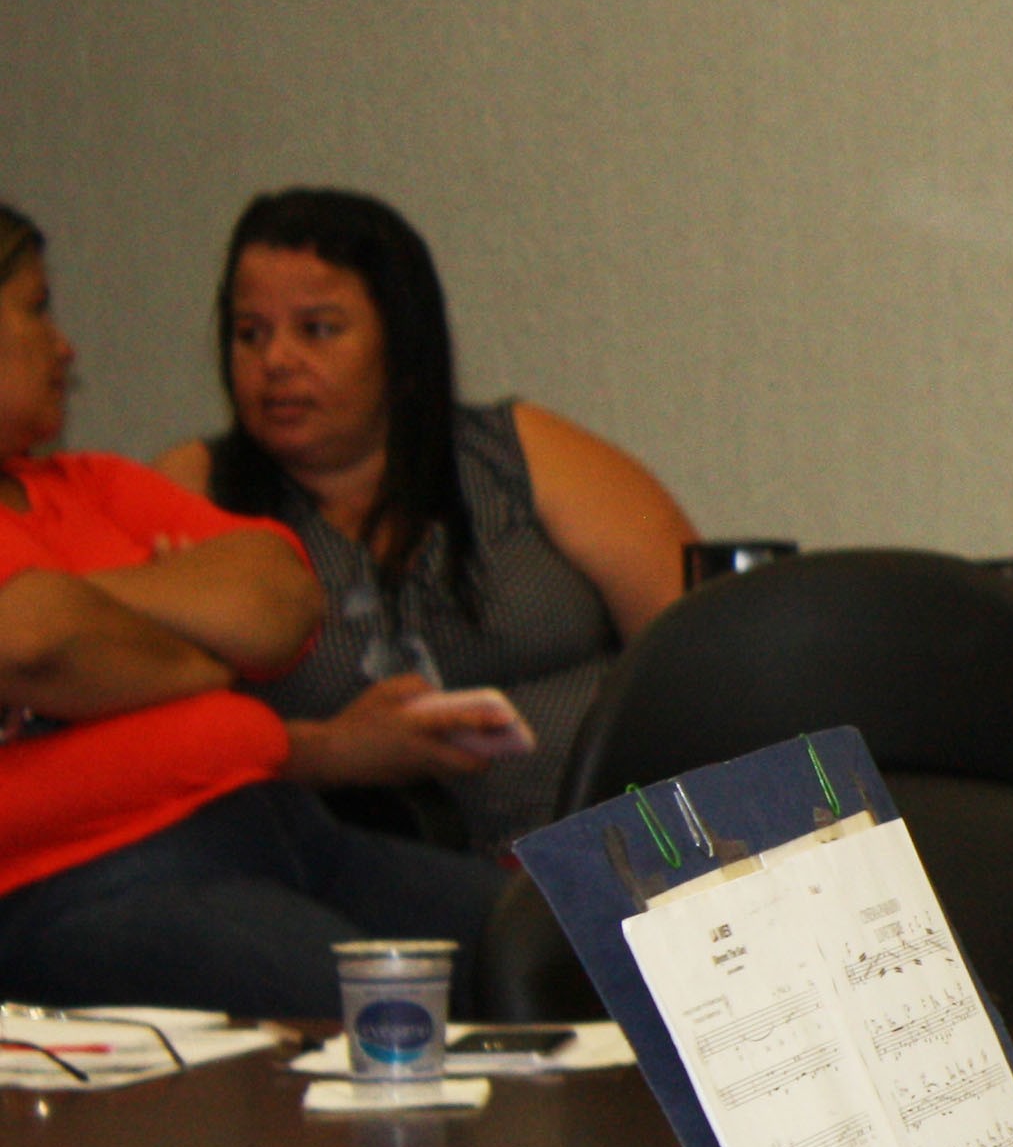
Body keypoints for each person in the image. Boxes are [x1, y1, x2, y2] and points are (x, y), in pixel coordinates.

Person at [0, 205, 506, 1017]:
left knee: (581, 943)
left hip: (287, 831)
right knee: (386, 1022)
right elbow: (34, 641)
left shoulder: (90, 483)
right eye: (37, 309)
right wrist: (194, 643)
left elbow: (281, 602)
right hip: (84, 879)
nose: (66, 347)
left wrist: (86, 608)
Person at [157, 189, 696, 854]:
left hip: (622, 840)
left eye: (317, 329)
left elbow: (697, 655)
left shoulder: (515, 452)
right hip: (359, 865)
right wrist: (333, 750)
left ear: (402, 341)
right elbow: (148, 744)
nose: (276, 361)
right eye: (250, 334)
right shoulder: (189, 492)